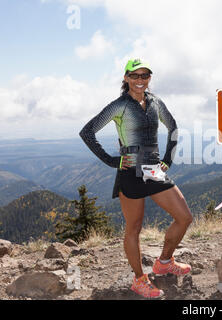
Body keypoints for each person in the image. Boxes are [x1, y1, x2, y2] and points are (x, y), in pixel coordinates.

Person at [79, 58, 193, 299]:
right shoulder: (119, 105)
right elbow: (87, 132)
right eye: (135, 75)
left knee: (184, 217)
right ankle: (140, 279)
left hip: (154, 170)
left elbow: (173, 128)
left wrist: (168, 160)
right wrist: (113, 161)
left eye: (145, 76)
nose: (140, 80)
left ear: (149, 79)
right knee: (134, 228)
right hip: (129, 172)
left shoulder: (155, 102)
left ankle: (163, 262)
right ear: (126, 78)